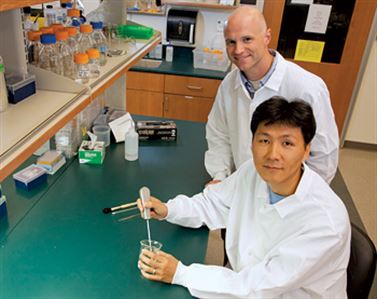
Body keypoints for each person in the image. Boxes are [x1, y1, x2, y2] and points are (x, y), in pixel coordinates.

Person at [137, 98, 351, 298]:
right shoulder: (253, 172)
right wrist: (169, 209)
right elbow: (213, 203)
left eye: (287, 143)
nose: (273, 154)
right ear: (252, 144)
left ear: (306, 150)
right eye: (264, 140)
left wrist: (181, 273)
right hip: (242, 283)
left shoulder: (326, 223)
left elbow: (259, 285)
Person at [205, 6, 339, 185]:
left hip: (289, 194)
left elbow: (324, 156)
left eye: (247, 39)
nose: (238, 50)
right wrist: (220, 176)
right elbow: (218, 135)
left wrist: (302, 197)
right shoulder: (229, 85)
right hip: (242, 187)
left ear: (267, 37)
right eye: (231, 42)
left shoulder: (308, 87)